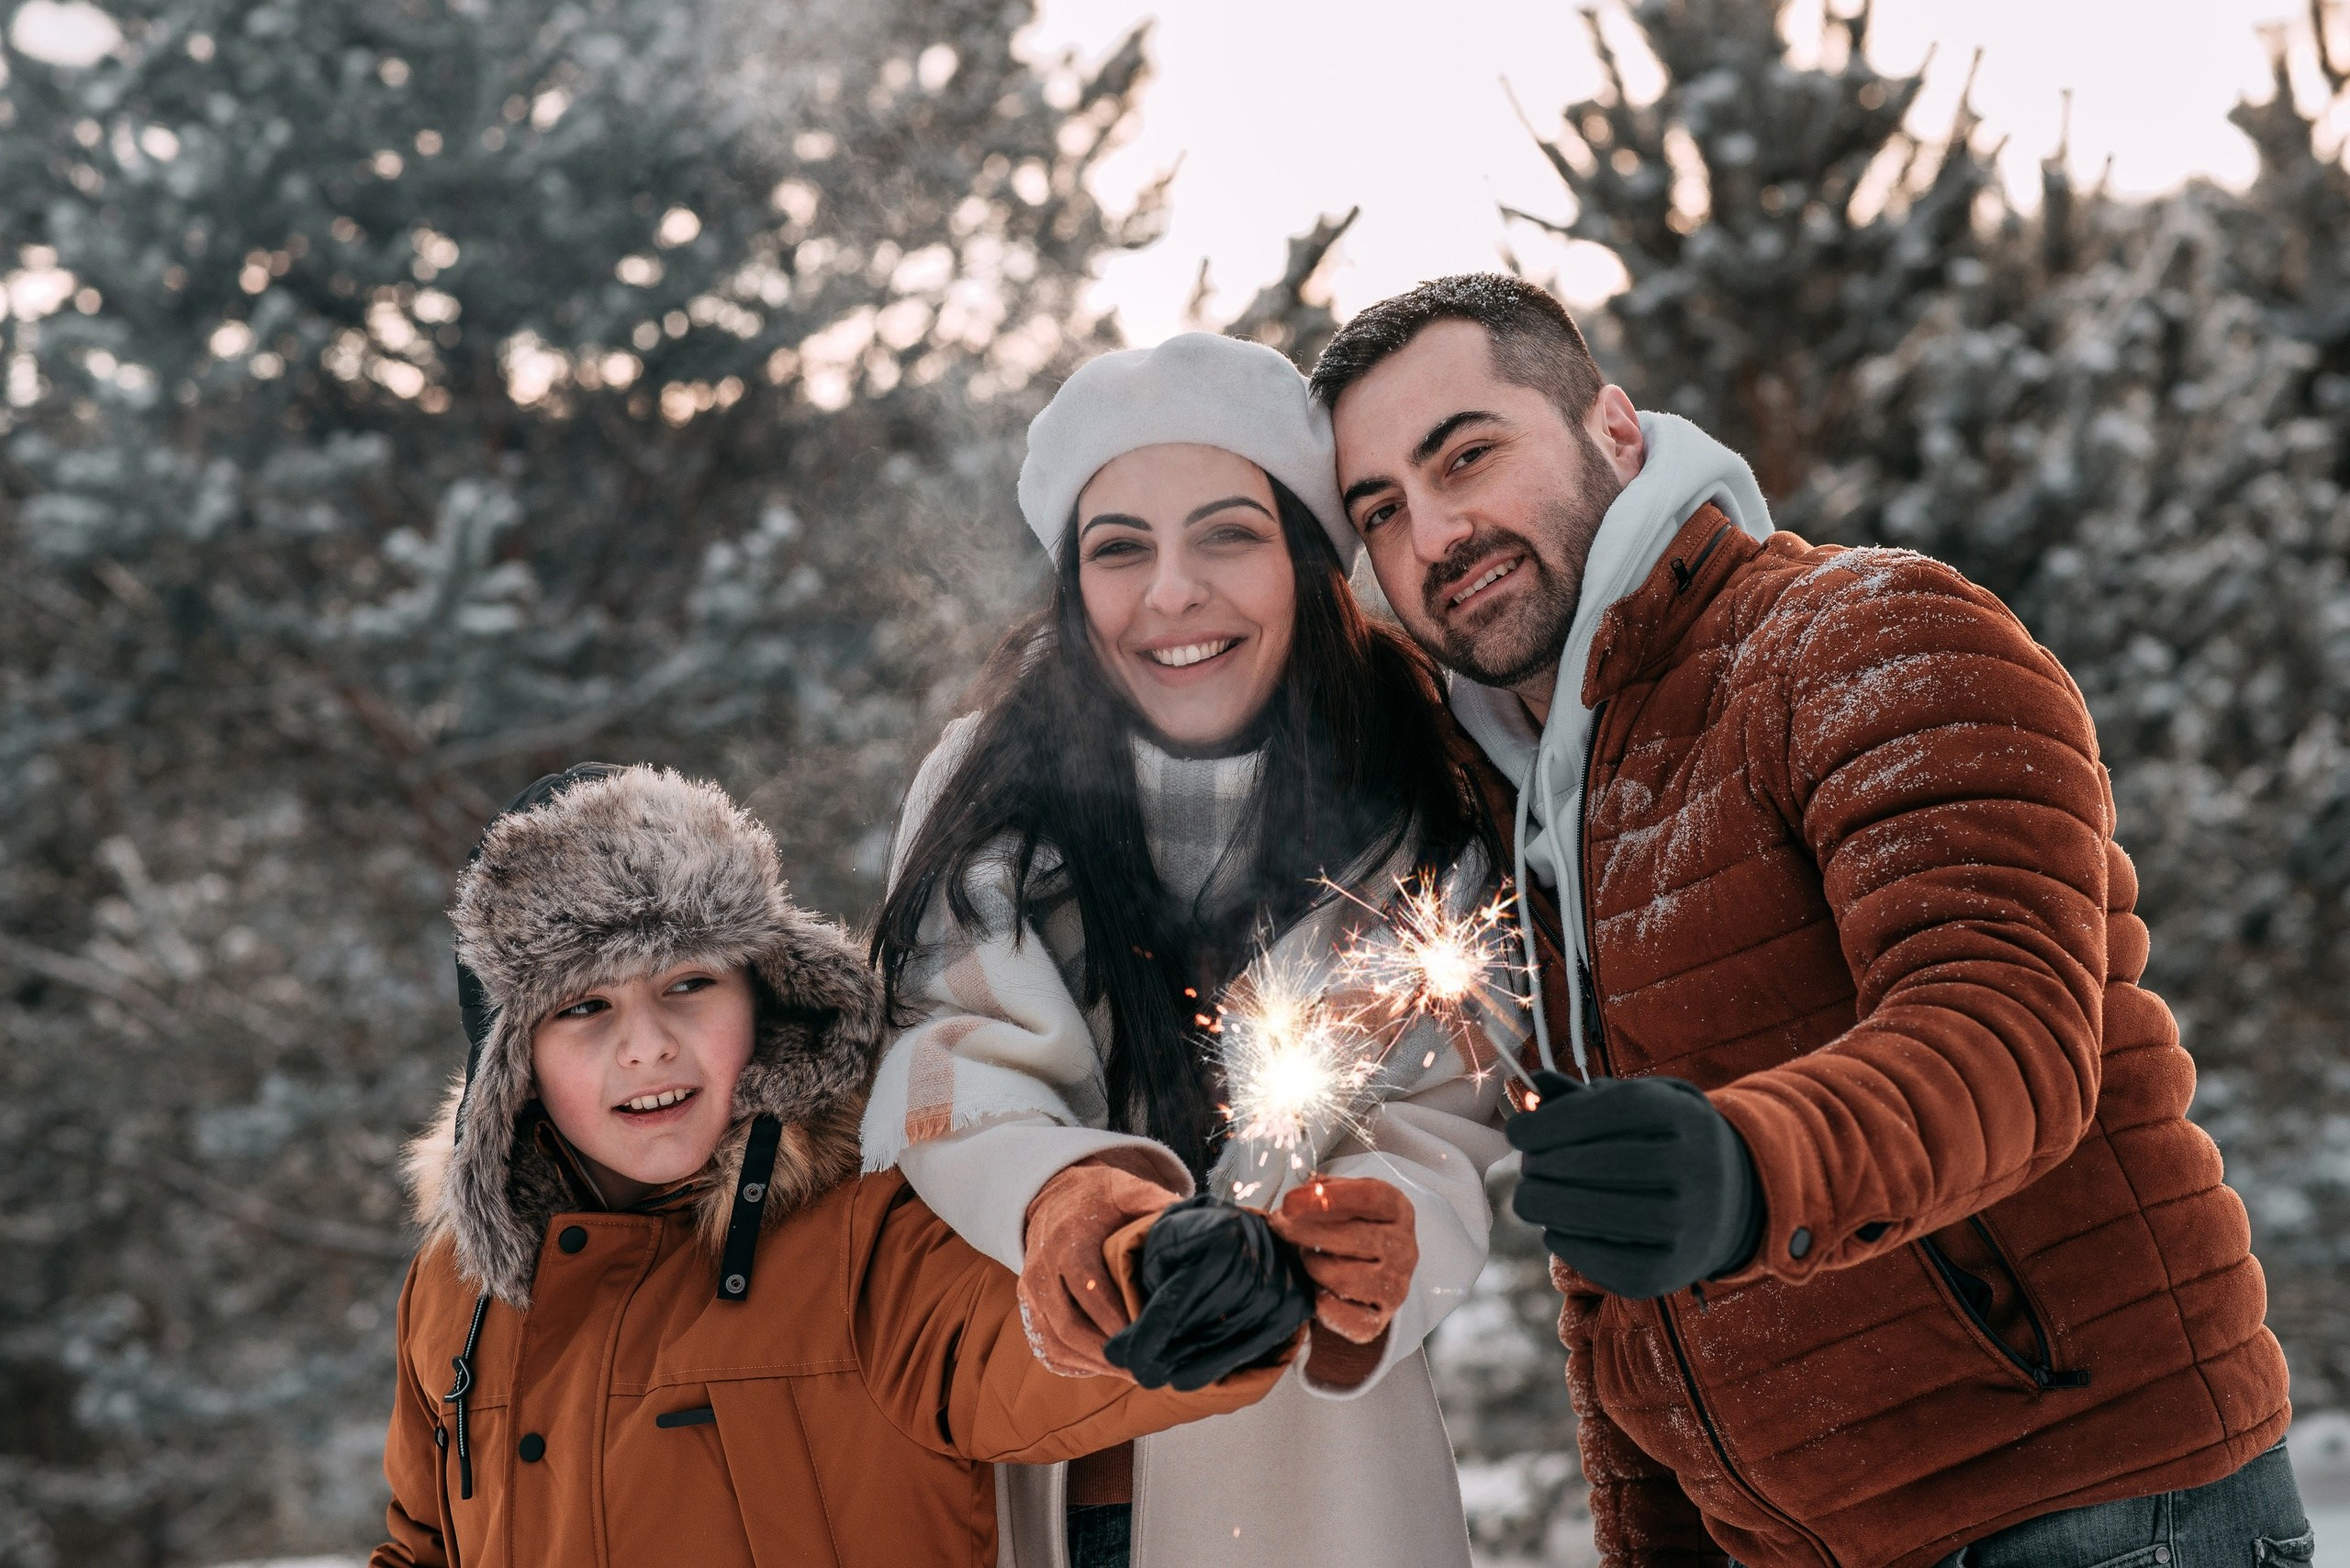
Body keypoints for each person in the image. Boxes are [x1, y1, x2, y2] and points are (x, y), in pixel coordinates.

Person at [1310, 273, 2308, 1568]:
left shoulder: (1860, 638)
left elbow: (2006, 1034)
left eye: (1467, 455)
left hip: (2093, 1509)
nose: (1436, 532)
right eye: (1381, 509)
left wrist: (1744, 1170)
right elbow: (1617, 1264)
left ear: (1614, 430)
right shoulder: (1522, 802)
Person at [865, 332, 1524, 1568]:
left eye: (1227, 534)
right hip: (1043, 1465)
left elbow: (1444, 1122)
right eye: (1120, 549)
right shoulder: (990, 792)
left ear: (1308, 563)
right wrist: (1063, 1201)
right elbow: (946, 1056)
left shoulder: (1416, 800)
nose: (1171, 592)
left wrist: (1377, 1236)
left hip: (1314, 1488)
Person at [374, 763, 1299, 1568]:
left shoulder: (868, 1228)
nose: (647, 1045)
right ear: (513, 1063)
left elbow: (1013, 1347)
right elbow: (423, 1543)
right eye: (585, 1008)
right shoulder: (458, 1286)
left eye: (689, 984)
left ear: (765, 993)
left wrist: (1167, 1284)